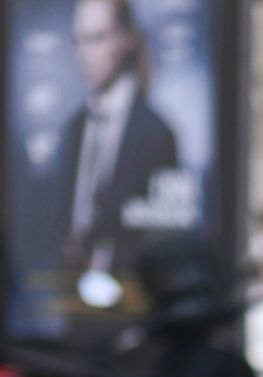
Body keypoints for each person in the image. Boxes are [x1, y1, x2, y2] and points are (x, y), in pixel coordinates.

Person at [56, 0, 178, 279]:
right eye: (79, 41)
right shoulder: (74, 128)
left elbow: (165, 232)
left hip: (133, 294)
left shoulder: (157, 134)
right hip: (73, 297)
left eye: (96, 38)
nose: (83, 55)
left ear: (125, 40)